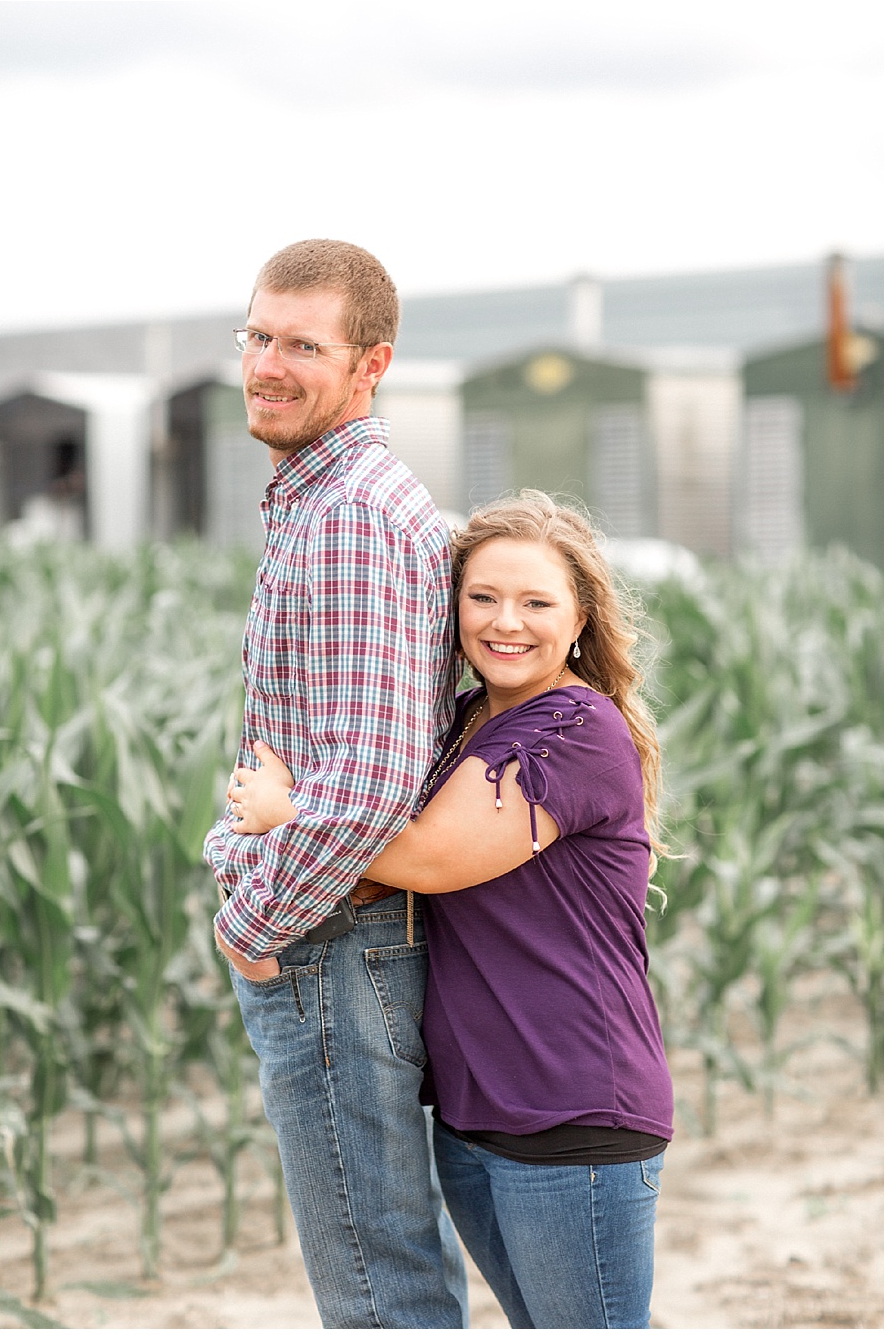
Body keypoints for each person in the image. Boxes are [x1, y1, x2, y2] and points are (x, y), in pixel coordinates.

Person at [233, 492, 673, 1328]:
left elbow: (430, 859)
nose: (506, 622)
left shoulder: (572, 728)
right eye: (483, 598)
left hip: (571, 1106)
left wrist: (291, 812)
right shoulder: (471, 719)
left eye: (536, 602)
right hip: (475, 1112)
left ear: (579, 617)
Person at [202, 238, 468, 1327]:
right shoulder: (331, 498)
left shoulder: (352, 514)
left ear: (371, 363)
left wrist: (253, 925)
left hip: (329, 941)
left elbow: (368, 781)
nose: (267, 363)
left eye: (302, 345)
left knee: (375, 1287)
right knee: (390, 1260)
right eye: (257, 336)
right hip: (338, 935)